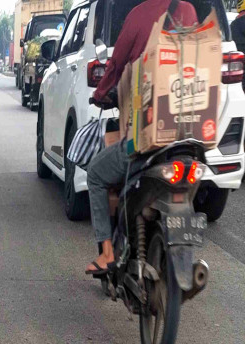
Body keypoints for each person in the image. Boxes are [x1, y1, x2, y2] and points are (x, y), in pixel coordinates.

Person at [84, 0, 197, 276]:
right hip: (189, 138)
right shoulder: (189, 11)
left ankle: (108, 253)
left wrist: (99, 95)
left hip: (148, 140)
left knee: (96, 174)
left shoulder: (138, 16)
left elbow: (114, 67)